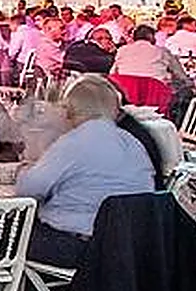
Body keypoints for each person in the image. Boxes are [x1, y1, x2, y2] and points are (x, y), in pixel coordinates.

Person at [17, 75, 155, 268]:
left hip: (80, 245)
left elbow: (29, 189)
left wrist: (24, 169)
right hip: (128, 245)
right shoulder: (132, 143)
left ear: (71, 110)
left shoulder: (74, 142)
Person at [112, 24, 192, 95]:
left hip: (128, 93)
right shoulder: (162, 52)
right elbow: (180, 75)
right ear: (151, 37)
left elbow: (112, 73)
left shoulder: (122, 51)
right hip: (156, 94)